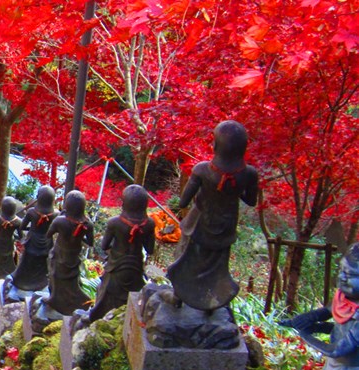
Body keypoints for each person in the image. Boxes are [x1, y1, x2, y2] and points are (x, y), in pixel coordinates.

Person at [167, 120, 259, 311]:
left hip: (198, 222)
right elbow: (251, 201)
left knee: (187, 257)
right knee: (217, 264)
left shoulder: (201, 170)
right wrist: (235, 191)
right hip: (225, 225)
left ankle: (178, 296)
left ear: (216, 145)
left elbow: (183, 201)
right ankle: (211, 303)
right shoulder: (249, 174)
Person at [86, 185, 155, 322]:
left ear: (124, 203)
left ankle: (98, 319)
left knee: (105, 294)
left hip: (116, 267)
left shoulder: (115, 223)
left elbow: (105, 245)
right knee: (133, 297)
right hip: (136, 268)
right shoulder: (149, 224)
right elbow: (150, 249)